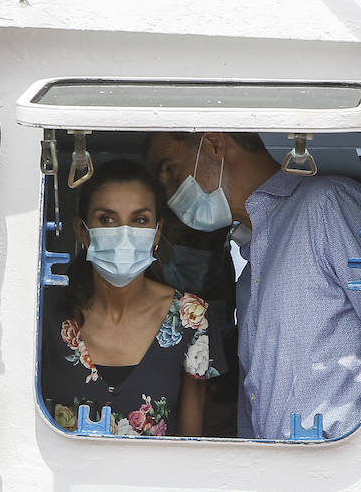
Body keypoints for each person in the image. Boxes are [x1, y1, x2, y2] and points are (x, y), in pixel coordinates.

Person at [145, 132, 361, 440]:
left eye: (172, 171)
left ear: (213, 144)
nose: (171, 195)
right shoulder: (252, 264)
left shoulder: (326, 205)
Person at [40, 159, 225, 437]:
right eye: (107, 219)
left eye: (139, 220)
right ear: (82, 231)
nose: (124, 234)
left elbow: (190, 444)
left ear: (157, 231)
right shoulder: (45, 314)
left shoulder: (190, 319)